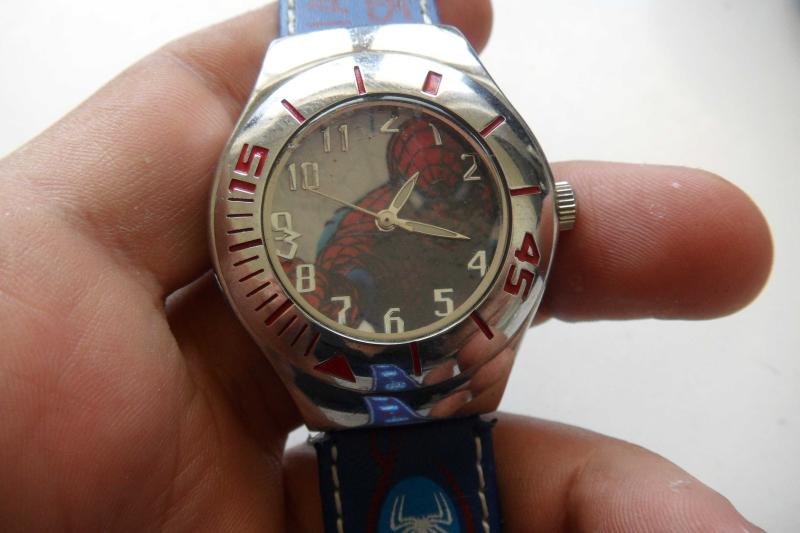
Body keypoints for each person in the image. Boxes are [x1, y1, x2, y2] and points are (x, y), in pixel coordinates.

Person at [0, 2, 772, 531]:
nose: (425, 171)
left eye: (437, 159)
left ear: (547, 209)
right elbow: (344, 255)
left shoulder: (461, 195)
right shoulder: (367, 209)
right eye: (416, 159)